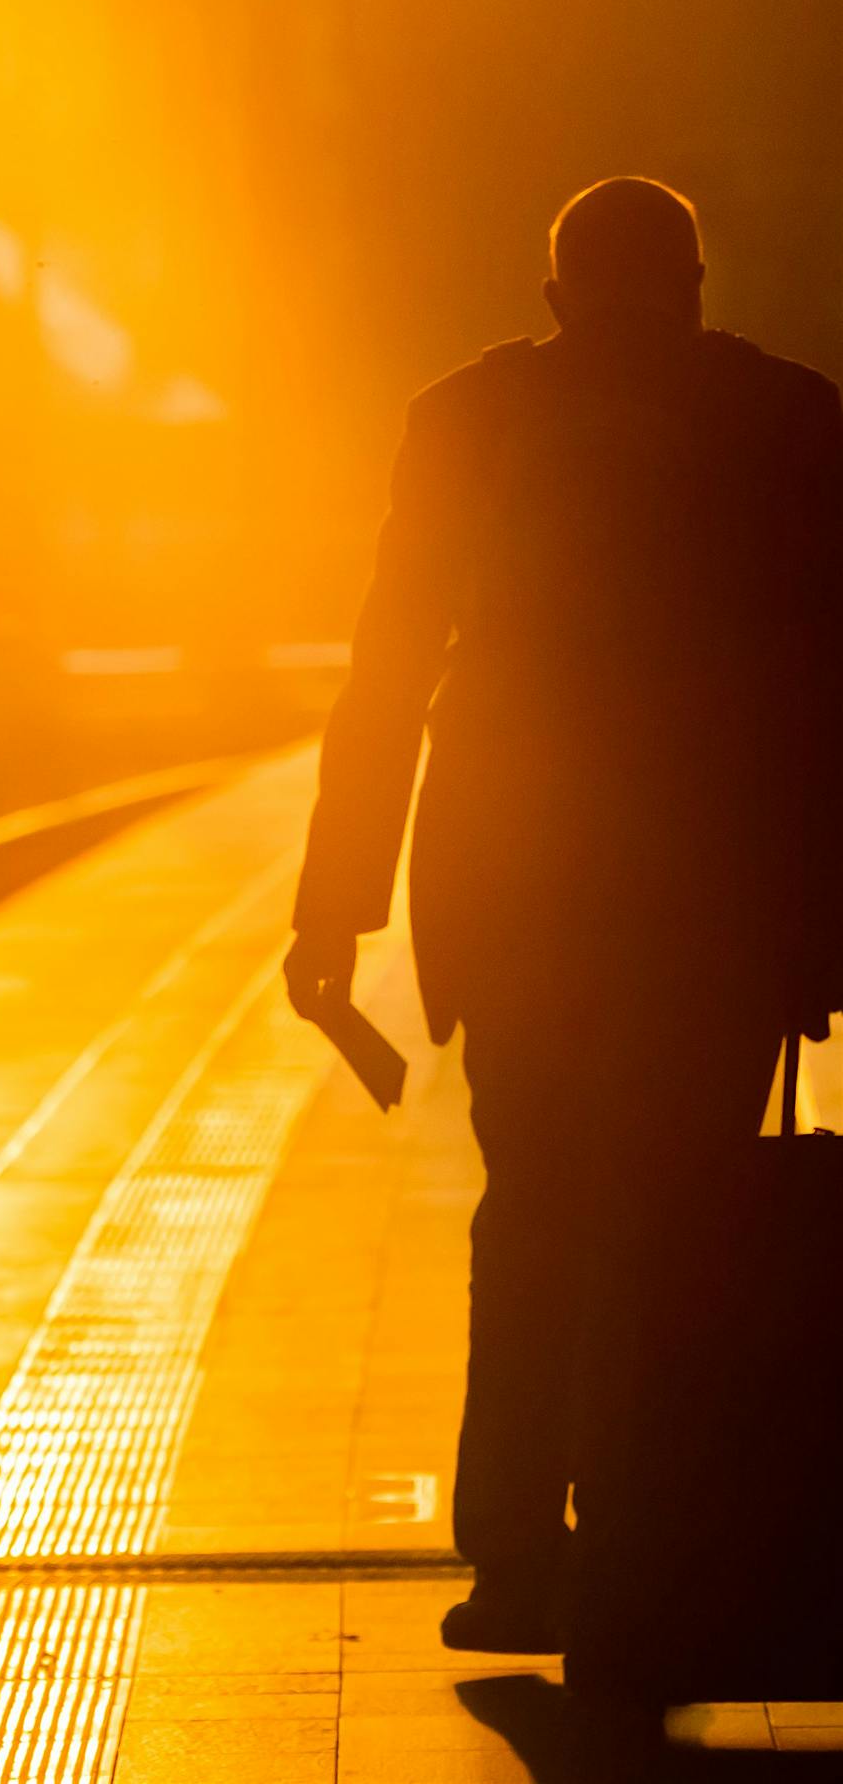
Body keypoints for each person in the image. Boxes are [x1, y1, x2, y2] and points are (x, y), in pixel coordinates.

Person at [284, 177, 843, 1654]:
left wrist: (333, 909)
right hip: (717, 902)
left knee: (534, 1215)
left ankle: (522, 1554)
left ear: (552, 301)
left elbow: (390, 669)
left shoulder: (466, 418)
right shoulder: (792, 419)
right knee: (683, 1217)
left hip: (517, 885)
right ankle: (660, 1539)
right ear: (699, 287)